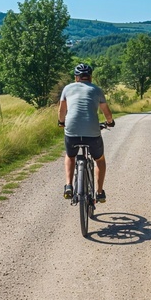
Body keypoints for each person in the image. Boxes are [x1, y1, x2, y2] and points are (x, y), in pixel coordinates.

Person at [58, 63, 114, 203]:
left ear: (76, 77)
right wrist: (110, 122)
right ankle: (100, 192)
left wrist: (61, 122)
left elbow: (62, 110)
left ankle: (69, 185)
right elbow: (106, 112)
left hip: (72, 130)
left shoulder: (67, 88)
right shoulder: (97, 90)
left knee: (70, 156)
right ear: (90, 77)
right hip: (92, 132)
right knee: (99, 159)